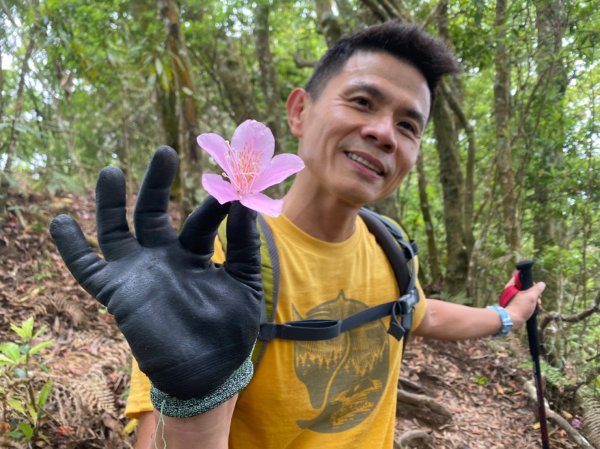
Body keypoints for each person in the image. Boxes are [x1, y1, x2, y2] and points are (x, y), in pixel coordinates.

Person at [50, 21, 545, 449]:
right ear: (299, 112)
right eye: (362, 101)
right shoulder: (210, 267)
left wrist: (506, 316)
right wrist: (193, 399)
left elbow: (424, 313)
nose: (384, 132)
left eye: (408, 125)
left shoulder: (392, 247)